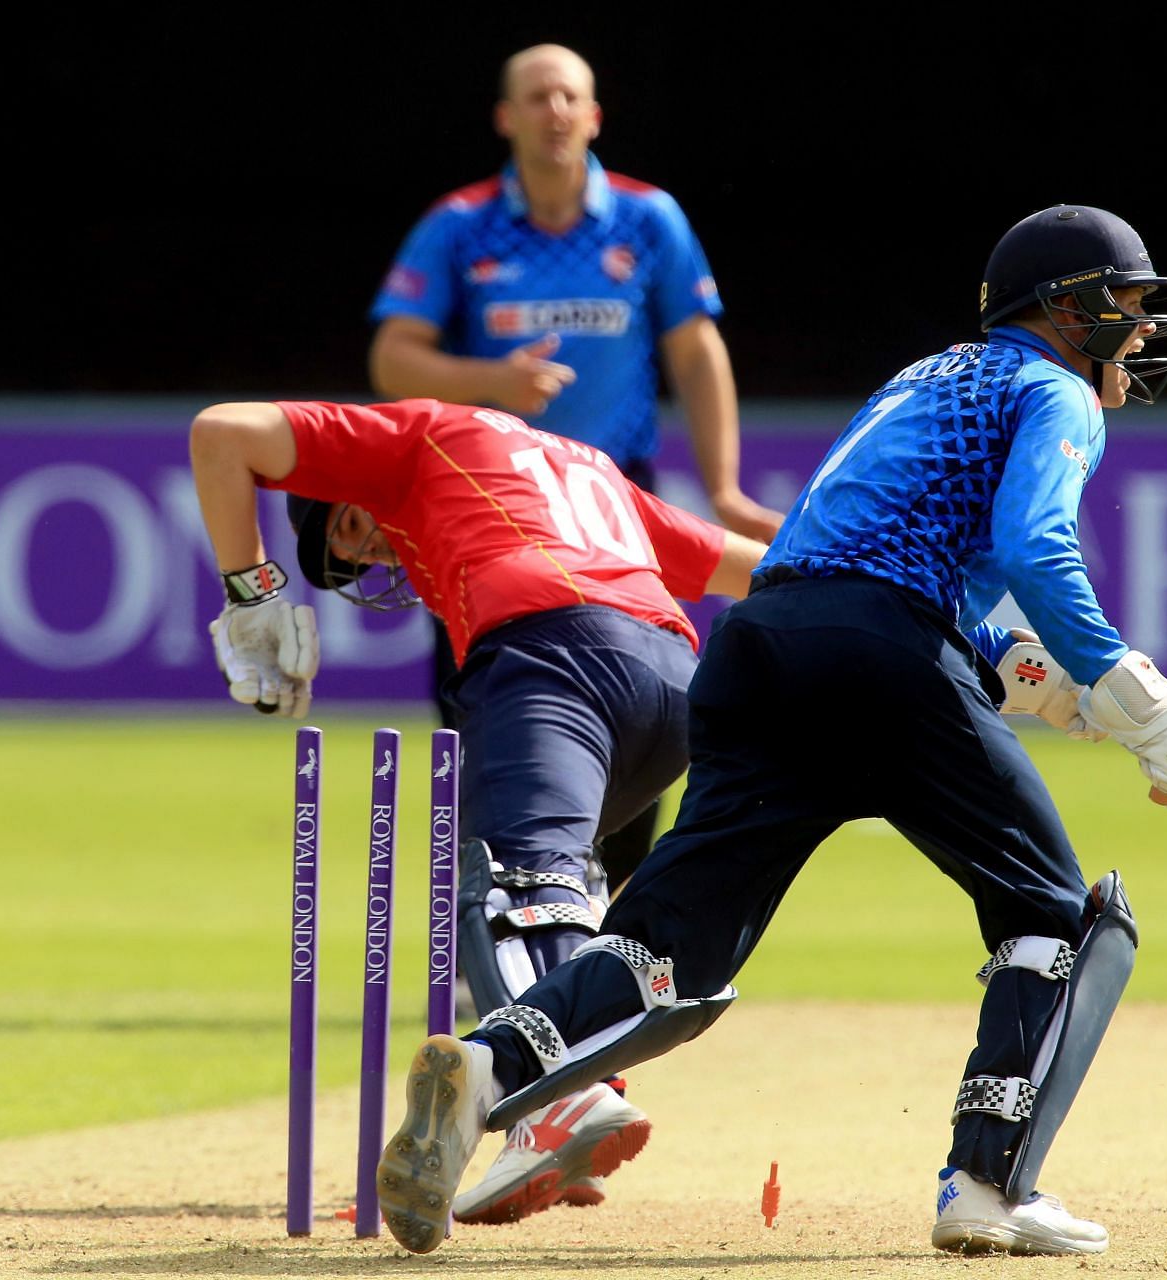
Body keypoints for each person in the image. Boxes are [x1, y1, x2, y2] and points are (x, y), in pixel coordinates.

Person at [373, 205, 1167, 1258]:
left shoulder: (923, 377)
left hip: (760, 650)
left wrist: (1078, 699)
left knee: (669, 954)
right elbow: (1033, 548)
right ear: (1067, 309)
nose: (1144, 329)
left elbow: (912, 587)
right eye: (1129, 304)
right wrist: (1143, 700)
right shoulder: (1053, 386)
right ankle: (990, 1182)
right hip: (878, 650)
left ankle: (489, 1067)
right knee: (1059, 920)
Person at [188, 394, 768, 1225]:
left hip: (551, 655)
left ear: (345, 494)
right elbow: (751, 565)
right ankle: (555, 1114)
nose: (372, 550)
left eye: (347, 536)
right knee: (562, 886)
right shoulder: (589, 468)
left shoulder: (418, 433)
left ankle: (564, 1101)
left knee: (514, 888)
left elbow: (221, 434)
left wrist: (250, 598)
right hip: (675, 684)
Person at [366, 42, 782, 894]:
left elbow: (696, 352)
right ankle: (483, 941)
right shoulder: (460, 224)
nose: (554, 110)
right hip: (483, 514)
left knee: (646, 721)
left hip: (613, 505)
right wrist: (494, 383)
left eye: (569, 96)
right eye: (536, 96)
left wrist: (728, 486)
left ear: (593, 116)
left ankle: (605, 952)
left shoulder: (646, 218)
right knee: (479, 730)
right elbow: (393, 359)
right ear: (506, 118)